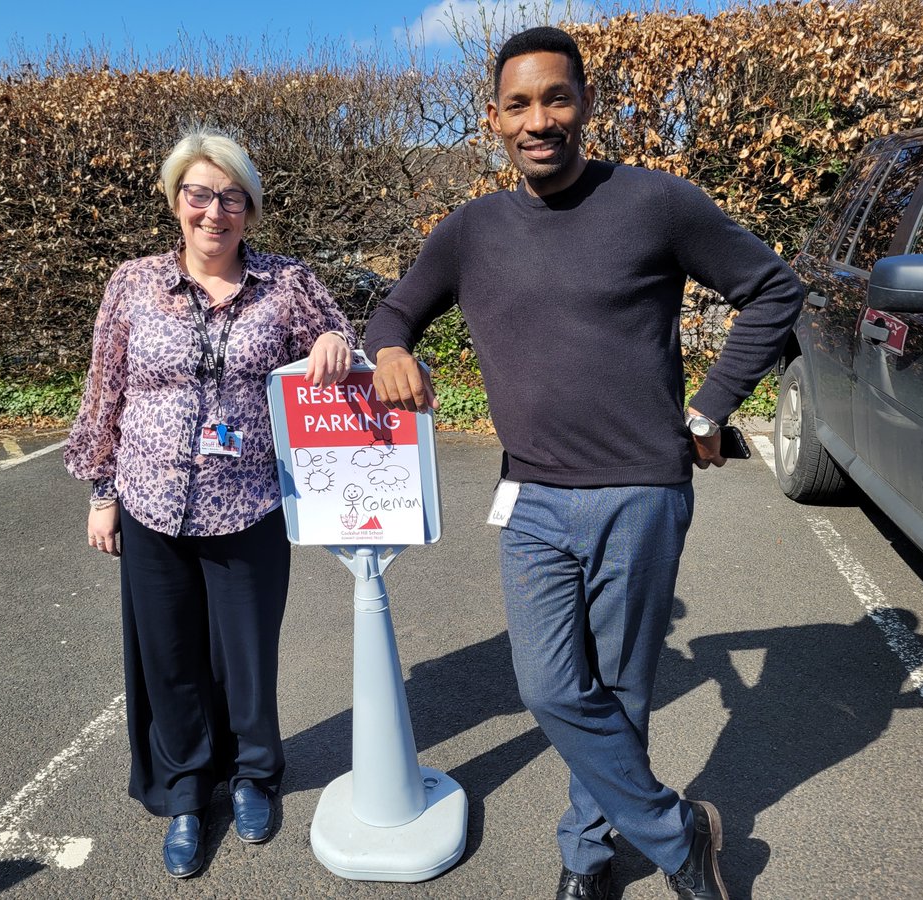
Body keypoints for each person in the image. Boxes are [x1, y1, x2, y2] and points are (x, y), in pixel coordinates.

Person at [365, 27, 802, 900]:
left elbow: (772, 289)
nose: (540, 120)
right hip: (530, 500)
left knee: (623, 692)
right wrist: (388, 349)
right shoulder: (470, 231)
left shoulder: (657, 204)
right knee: (555, 691)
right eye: (520, 104)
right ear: (492, 120)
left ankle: (586, 854)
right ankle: (681, 835)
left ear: (586, 105)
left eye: (557, 98)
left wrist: (711, 409)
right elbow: (394, 310)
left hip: (641, 493)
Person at [64, 126, 355, 879]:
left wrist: (331, 342)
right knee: (170, 659)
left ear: (249, 209)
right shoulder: (132, 283)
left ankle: (256, 774)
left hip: (248, 503)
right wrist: (103, 494)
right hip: (150, 501)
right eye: (199, 194)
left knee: (248, 656)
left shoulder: (285, 282)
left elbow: (338, 333)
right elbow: (106, 389)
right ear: (176, 201)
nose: (214, 212)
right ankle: (187, 790)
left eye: (231, 197)